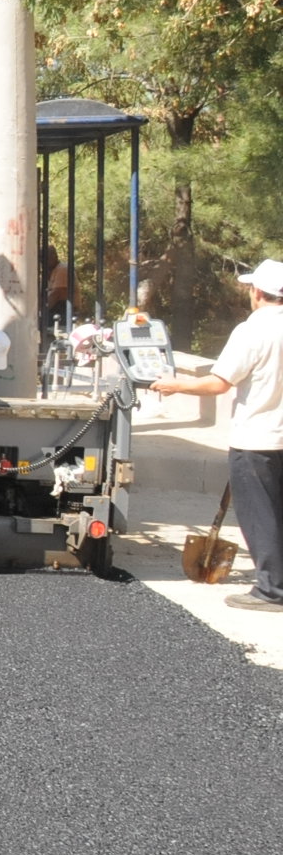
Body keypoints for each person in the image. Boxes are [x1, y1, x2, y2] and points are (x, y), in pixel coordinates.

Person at [153, 258, 283, 610]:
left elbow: (219, 382)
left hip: (258, 438)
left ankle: (272, 590)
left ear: (257, 292)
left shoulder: (253, 331)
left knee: (261, 514)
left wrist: (176, 384)